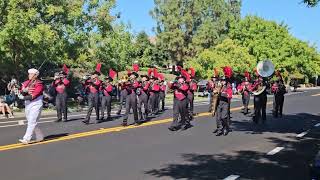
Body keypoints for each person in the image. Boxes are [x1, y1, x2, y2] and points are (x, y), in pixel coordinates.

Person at [18, 68, 44, 144]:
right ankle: (40, 136)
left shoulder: (39, 84)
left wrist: (23, 97)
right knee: (31, 121)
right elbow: (20, 92)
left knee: (32, 121)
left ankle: (26, 138)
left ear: (35, 75)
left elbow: (34, 96)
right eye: (29, 74)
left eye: (31, 74)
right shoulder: (26, 83)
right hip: (27, 104)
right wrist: (23, 91)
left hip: (36, 103)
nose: (29, 75)